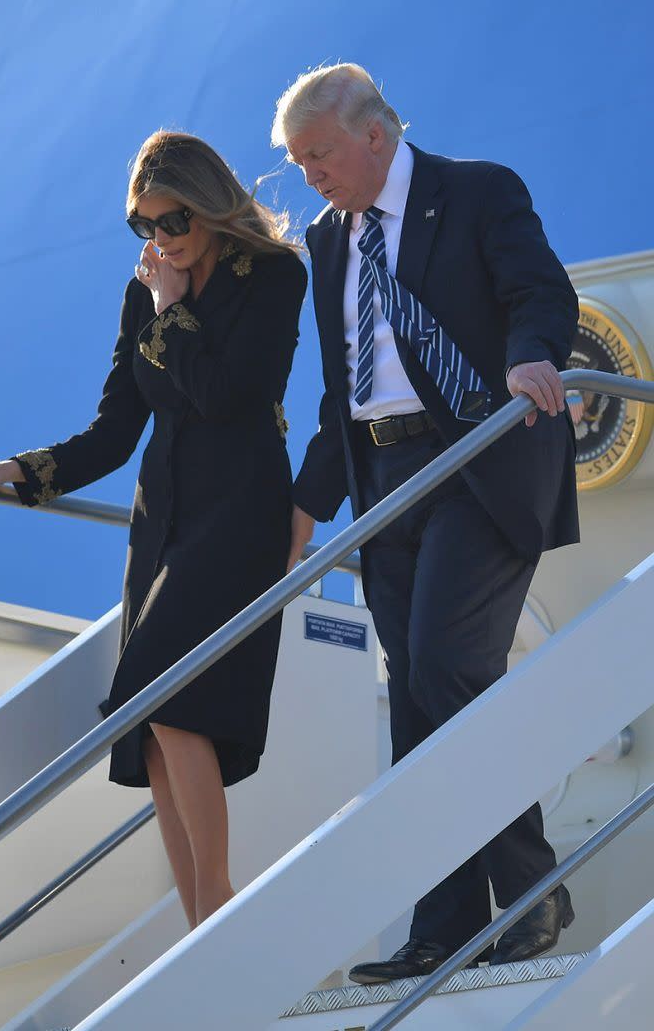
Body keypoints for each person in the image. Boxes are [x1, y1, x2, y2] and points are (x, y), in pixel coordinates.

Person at [0, 130, 307, 930]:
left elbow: (231, 398)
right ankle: (201, 918)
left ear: (207, 207)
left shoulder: (272, 275)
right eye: (144, 227)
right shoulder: (145, 290)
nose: (159, 240)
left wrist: (171, 316)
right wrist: (9, 471)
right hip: (161, 520)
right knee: (154, 723)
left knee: (165, 696)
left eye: (172, 222)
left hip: (239, 511)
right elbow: (112, 432)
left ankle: (221, 909)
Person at [272, 64, 579, 979]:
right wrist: (302, 508)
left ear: (374, 134)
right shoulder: (330, 242)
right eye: (297, 162)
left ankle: (531, 890)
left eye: (318, 154)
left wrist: (531, 362)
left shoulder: (476, 191)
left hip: (479, 458)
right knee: (415, 701)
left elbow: (541, 295)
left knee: (448, 664)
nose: (310, 176)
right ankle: (442, 927)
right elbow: (341, 393)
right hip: (384, 479)